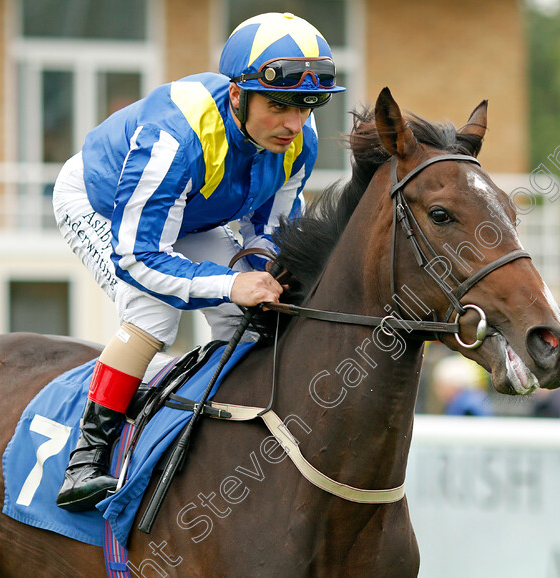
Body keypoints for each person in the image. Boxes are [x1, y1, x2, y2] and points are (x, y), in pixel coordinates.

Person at [51, 12, 345, 512]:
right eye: (278, 106)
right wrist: (231, 284)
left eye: (306, 106)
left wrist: (262, 277)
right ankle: (87, 455)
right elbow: (138, 257)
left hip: (191, 213)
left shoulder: (300, 140)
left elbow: (270, 232)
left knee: (247, 315)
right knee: (154, 313)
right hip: (101, 205)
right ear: (237, 96)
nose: (293, 125)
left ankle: (221, 426)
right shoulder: (174, 137)